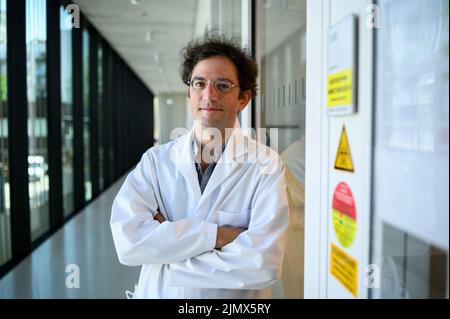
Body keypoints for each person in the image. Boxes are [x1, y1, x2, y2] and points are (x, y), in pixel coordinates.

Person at [110, 33, 289, 299]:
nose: (209, 95)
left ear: (243, 99)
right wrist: (218, 236)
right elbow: (128, 243)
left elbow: (263, 264)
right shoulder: (156, 161)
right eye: (199, 83)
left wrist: (168, 252)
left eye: (223, 85)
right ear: (189, 94)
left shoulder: (266, 165)